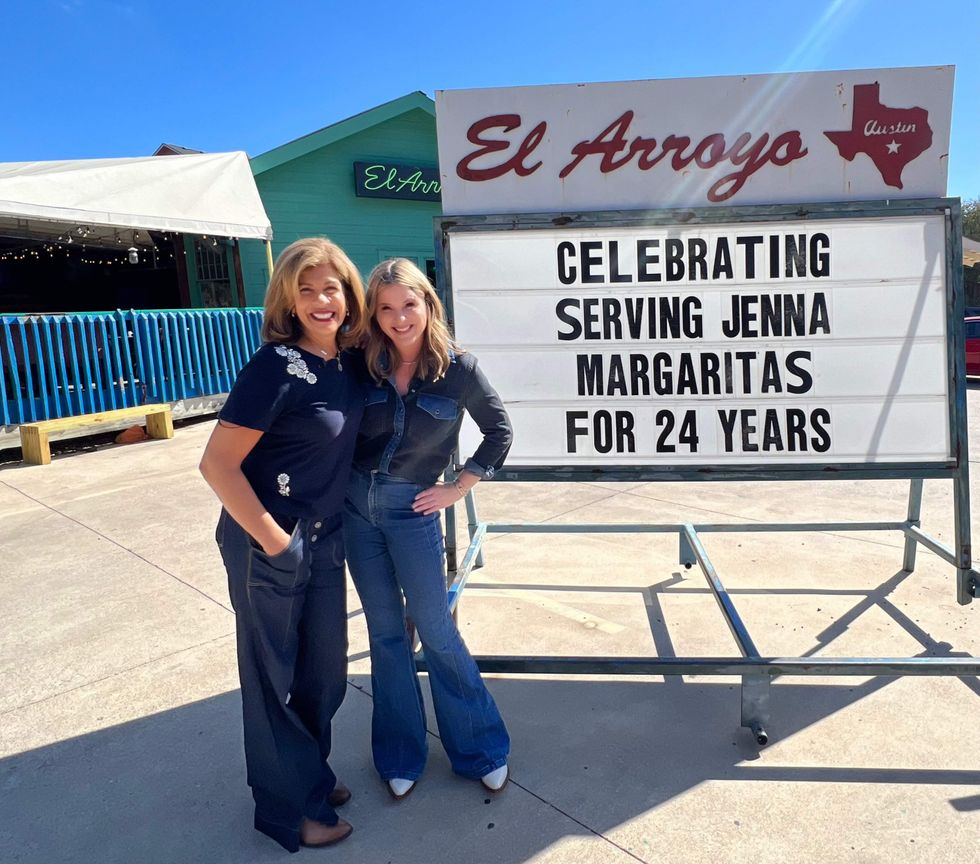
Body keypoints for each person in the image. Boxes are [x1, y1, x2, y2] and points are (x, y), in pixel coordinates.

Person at [199, 238, 367, 852]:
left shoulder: (347, 361)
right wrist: (275, 543)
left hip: (326, 539)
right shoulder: (275, 367)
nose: (322, 301)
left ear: (349, 295)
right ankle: (288, 810)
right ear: (288, 301)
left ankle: (309, 774)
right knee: (272, 675)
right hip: (267, 541)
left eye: (332, 288)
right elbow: (217, 464)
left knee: (325, 672)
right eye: (306, 290)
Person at [343, 257, 513, 800]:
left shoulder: (459, 368)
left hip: (413, 510)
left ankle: (480, 748)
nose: (399, 318)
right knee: (385, 633)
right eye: (386, 308)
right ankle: (400, 755)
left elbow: (499, 431)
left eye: (409, 304)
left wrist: (458, 487)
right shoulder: (360, 362)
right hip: (356, 510)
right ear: (374, 314)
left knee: (437, 631)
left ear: (427, 304)